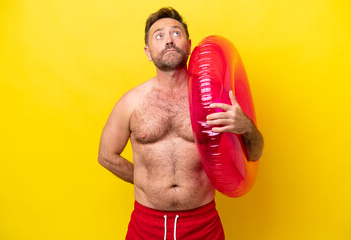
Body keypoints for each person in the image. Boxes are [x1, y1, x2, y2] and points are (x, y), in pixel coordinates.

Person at [98, 7, 264, 240]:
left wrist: (245, 125)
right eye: (159, 35)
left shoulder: (217, 98)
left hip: (203, 224)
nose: (168, 41)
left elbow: (255, 154)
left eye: (176, 33)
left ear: (188, 44)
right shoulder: (131, 102)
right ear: (148, 52)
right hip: (146, 225)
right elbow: (106, 155)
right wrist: (147, 181)